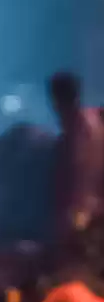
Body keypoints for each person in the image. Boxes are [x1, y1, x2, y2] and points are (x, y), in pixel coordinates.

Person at [49, 71, 104, 261]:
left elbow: (84, 175)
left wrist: (79, 214)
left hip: (88, 214)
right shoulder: (92, 119)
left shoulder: (79, 132)